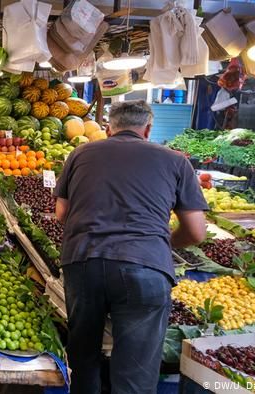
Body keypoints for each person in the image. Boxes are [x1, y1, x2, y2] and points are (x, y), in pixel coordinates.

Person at [54, 100, 208, 394]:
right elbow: (197, 232)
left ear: (109, 128)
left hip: (84, 261)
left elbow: (62, 214)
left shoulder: (80, 153)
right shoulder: (176, 161)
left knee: (83, 355)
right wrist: (162, 243)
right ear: (148, 129)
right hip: (146, 267)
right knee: (135, 372)